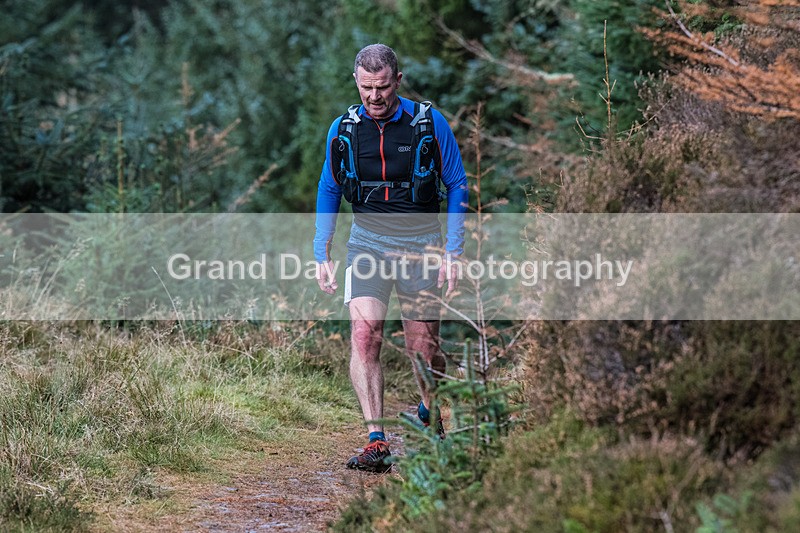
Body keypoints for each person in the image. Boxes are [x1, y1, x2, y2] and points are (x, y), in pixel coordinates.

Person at [313, 44, 468, 472]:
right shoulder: (343, 129)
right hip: (366, 244)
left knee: (424, 348)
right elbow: (329, 187)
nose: (374, 97)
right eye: (366, 88)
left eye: (382, 88)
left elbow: (457, 184)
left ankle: (427, 411)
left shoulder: (428, 123)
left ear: (397, 81)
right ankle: (376, 441)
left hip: (422, 245)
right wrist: (320, 249)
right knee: (365, 338)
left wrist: (453, 252)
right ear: (357, 83)